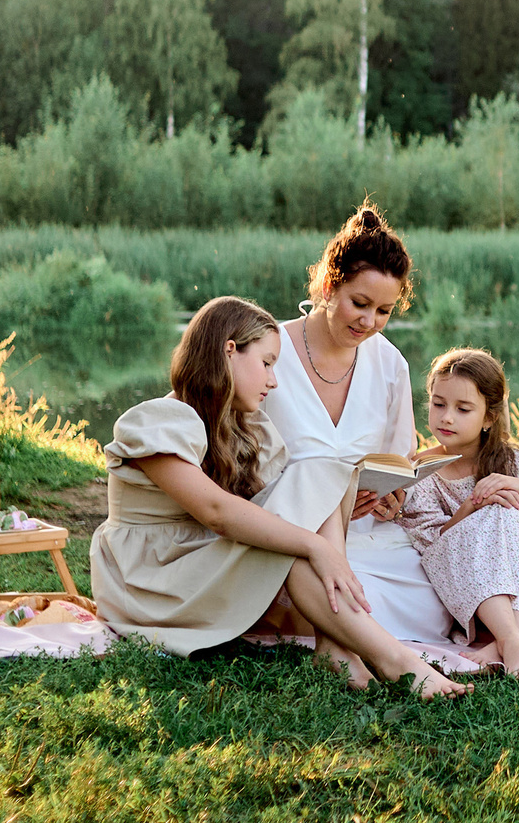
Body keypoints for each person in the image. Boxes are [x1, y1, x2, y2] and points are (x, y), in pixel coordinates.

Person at [90, 295, 468, 698]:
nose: (274, 380)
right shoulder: (158, 420)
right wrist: (317, 547)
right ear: (229, 351)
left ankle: (337, 647)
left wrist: (345, 501)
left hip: (199, 563)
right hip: (152, 581)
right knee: (296, 538)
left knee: (321, 473)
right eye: (267, 363)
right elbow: (216, 511)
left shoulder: (244, 428)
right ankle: (395, 661)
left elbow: (288, 495)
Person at [260, 204, 454, 684]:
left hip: (361, 530)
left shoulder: (389, 365)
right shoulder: (268, 352)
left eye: (383, 311)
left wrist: (389, 498)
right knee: (324, 569)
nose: (368, 321)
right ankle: (353, 642)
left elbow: (398, 461)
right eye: (359, 303)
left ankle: (338, 636)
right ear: (329, 285)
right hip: (283, 523)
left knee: (422, 599)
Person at [401, 347, 519, 681]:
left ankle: (513, 636)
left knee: (508, 507)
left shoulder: (515, 464)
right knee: (494, 509)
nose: (447, 417)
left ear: (489, 417)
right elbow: (436, 551)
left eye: (463, 408)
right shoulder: (422, 472)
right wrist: (471, 506)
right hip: (465, 588)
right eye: (438, 404)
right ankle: (513, 638)